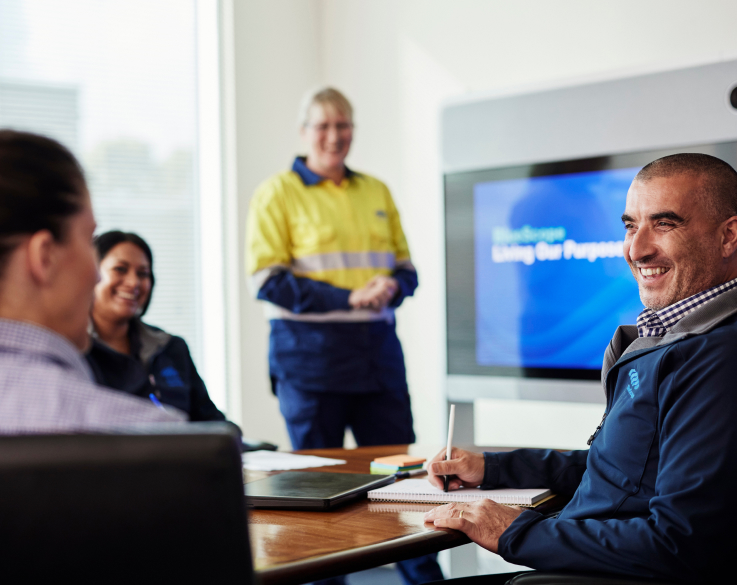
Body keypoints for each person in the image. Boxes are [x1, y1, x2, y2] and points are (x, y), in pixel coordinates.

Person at [424, 153, 737, 584]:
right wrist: (493, 469)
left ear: (729, 236)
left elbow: (681, 542)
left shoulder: (716, 357)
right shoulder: (671, 339)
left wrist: (517, 532)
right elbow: (622, 473)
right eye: (630, 225)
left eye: (665, 224)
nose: (637, 248)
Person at [246, 88, 442, 585]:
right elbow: (268, 281)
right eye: (323, 126)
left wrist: (393, 284)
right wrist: (349, 297)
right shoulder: (276, 193)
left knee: (406, 484)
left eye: (344, 125)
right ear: (304, 132)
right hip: (309, 366)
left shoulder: (376, 191)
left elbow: (408, 271)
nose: (335, 136)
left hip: (378, 361)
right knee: (315, 497)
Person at [0, 129, 183, 432]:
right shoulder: (156, 439)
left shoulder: (170, 348)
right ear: (45, 257)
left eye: (142, 273)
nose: (96, 273)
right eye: (89, 240)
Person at [85, 230, 227, 422]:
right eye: (120, 269)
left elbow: (211, 422)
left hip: (180, 451)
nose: (134, 282)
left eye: (143, 273)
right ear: (91, 274)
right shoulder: (73, 350)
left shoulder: (171, 348)